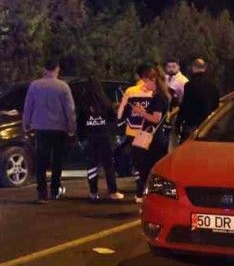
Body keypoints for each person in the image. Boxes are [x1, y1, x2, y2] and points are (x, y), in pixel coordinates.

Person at [22, 58, 76, 203]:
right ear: (57, 69)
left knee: (41, 160)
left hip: (40, 127)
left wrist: (26, 123)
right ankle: (55, 190)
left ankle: (42, 193)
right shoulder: (63, 86)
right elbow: (70, 109)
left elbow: (28, 106)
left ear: (44, 70)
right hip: (59, 127)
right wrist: (72, 127)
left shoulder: (34, 85)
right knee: (57, 160)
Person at [120, 66, 169, 202]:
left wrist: (141, 112)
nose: (145, 85)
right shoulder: (161, 96)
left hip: (153, 138)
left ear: (154, 80)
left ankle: (149, 196)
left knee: (147, 166)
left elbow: (156, 118)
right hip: (154, 137)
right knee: (148, 166)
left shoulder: (159, 97)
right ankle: (151, 195)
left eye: (146, 82)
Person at [79, 78, 122, 201]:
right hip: (104, 136)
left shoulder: (83, 103)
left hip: (89, 137)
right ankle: (113, 191)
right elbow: (113, 118)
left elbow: (80, 122)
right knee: (108, 165)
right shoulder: (105, 101)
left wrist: (80, 137)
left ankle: (93, 193)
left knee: (91, 165)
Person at [177, 57, 220, 140]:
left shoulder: (189, 85)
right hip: (208, 125)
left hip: (192, 124)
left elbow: (185, 105)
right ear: (205, 68)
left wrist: (178, 122)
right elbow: (216, 105)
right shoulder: (213, 85)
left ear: (193, 67)